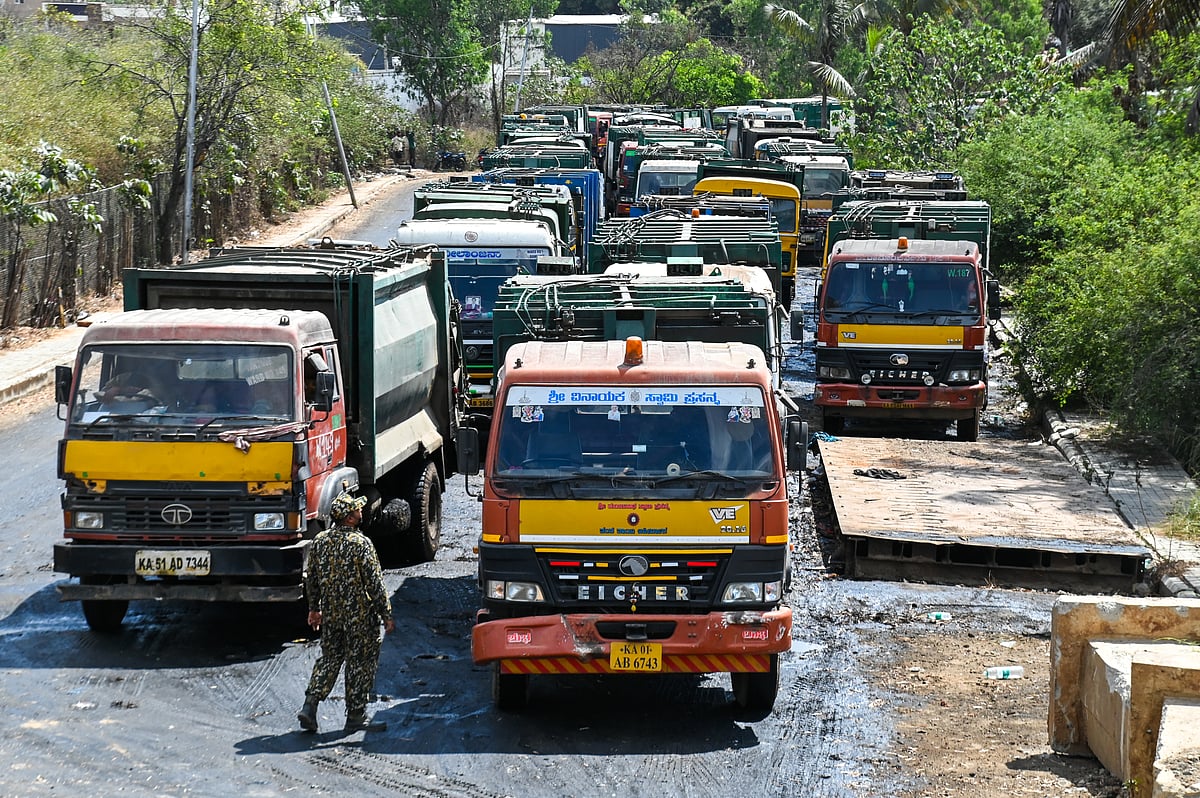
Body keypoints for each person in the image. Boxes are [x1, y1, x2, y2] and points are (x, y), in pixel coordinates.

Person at [297, 491, 395, 733]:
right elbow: (375, 583)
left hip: (332, 615)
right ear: (349, 518)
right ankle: (356, 714)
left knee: (330, 659)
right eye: (357, 510)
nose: (361, 511)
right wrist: (386, 614)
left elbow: (312, 579)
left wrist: (314, 608)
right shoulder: (361, 544)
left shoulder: (320, 541)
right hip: (360, 617)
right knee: (360, 663)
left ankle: (310, 705)